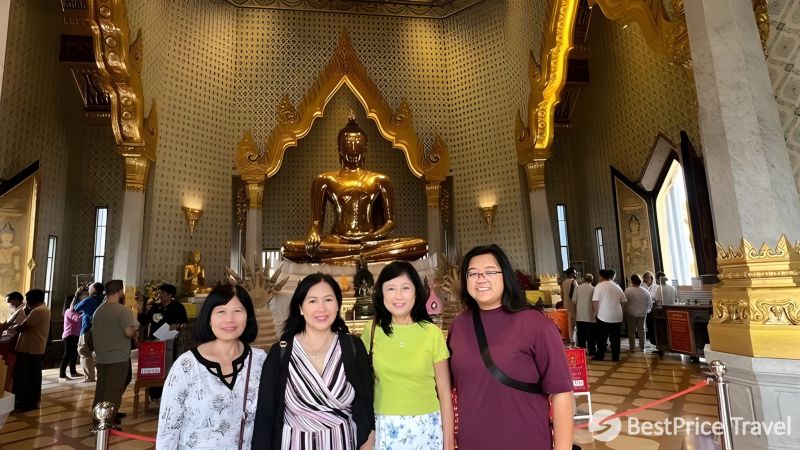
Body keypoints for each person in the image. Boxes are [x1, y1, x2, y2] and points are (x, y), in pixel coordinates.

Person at [447, 245, 574, 450]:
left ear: (505, 276)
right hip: (472, 443)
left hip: (526, 441)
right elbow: (442, 387)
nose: (481, 278)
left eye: (490, 271)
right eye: (473, 274)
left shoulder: (535, 324)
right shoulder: (459, 326)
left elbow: (562, 394)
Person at [253, 273, 375, 450]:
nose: (321, 308)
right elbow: (265, 416)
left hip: (343, 443)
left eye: (328, 300)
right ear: (300, 308)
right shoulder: (281, 352)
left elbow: (366, 408)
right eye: (312, 301)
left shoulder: (353, 348)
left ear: (337, 305)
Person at [157, 285, 266, 450]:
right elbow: (168, 429)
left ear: (248, 316)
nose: (230, 319)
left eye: (238, 311)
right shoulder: (186, 365)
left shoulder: (260, 360)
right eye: (221, 312)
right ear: (209, 318)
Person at [361, 262, 453, 450]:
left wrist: (449, 446)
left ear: (416, 293)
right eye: (391, 289)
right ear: (381, 294)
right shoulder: (371, 331)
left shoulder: (432, 334)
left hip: (426, 427)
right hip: (384, 427)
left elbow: (445, 394)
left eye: (405, 288)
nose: (398, 296)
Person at [91, 280, 136, 425]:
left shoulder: (99, 310)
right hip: (118, 356)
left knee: (101, 391)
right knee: (113, 392)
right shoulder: (123, 310)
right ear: (120, 291)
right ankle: (106, 424)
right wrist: (135, 334)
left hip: (101, 356)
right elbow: (129, 332)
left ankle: (97, 421)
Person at [137, 283, 188, 401]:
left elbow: (184, 323)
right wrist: (140, 311)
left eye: (163, 293)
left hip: (171, 342)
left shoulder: (178, 307)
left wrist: (177, 326)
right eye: (160, 292)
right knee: (155, 367)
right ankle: (154, 395)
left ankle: (169, 394)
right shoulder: (156, 307)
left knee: (168, 368)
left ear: (170, 295)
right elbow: (144, 321)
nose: (160, 295)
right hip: (155, 342)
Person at [11, 289, 51, 412]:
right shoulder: (41, 309)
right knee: (25, 377)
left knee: (30, 378)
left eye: (28, 300)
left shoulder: (39, 310)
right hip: (29, 348)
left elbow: (23, 327)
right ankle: (24, 401)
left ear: (31, 300)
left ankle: (30, 403)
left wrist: (13, 326)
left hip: (32, 349)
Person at [592, 269, 626, 362]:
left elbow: (595, 300)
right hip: (617, 316)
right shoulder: (616, 286)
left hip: (603, 315)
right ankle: (615, 357)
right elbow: (624, 301)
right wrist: (621, 310)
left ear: (602, 276)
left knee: (602, 338)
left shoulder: (599, 286)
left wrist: (595, 313)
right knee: (615, 338)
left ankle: (600, 356)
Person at [74, 282, 104, 382]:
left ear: (95, 290)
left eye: (89, 288)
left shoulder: (90, 300)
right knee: (97, 353)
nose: (88, 289)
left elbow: (74, 308)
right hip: (101, 330)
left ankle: (89, 377)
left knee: (84, 351)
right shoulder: (105, 299)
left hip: (88, 329)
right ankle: (101, 375)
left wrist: (77, 294)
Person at [0, 291, 26, 392]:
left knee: (9, 370)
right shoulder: (21, 309)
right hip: (13, 341)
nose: (8, 305)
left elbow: (6, 325)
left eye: (8, 302)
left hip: (12, 343)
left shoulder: (21, 310)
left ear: (15, 301)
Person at [623, 274, 651, 352]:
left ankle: (632, 347)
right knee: (641, 330)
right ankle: (642, 347)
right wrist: (647, 311)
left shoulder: (628, 291)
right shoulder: (645, 291)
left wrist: (624, 310)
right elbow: (649, 303)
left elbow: (624, 302)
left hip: (630, 312)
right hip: (642, 312)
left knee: (631, 330)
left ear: (632, 281)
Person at [59, 295, 82, 381]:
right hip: (70, 335)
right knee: (67, 354)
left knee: (74, 354)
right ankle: (62, 374)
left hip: (75, 335)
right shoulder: (69, 311)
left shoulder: (75, 311)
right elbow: (78, 319)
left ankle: (73, 371)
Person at [574, 273, 596, 354]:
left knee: (581, 334)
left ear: (584, 279)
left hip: (580, 314)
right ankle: (592, 350)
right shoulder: (593, 289)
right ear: (592, 280)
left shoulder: (578, 288)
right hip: (590, 314)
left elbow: (574, 301)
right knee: (591, 334)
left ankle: (581, 349)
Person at [561, 267, 578, 343]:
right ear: (571, 274)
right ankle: (574, 339)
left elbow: (562, 295)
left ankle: (571, 338)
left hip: (566, 304)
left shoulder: (563, 282)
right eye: (574, 273)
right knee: (574, 323)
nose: (575, 274)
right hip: (573, 305)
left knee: (569, 323)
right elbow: (576, 294)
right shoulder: (574, 282)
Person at [642, 271, 657, 345]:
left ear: (651, 279)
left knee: (654, 326)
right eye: (644, 281)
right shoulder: (644, 286)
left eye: (647, 280)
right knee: (649, 326)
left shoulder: (656, 287)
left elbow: (655, 297)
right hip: (647, 309)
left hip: (654, 308)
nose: (646, 282)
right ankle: (652, 341)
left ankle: (656, 342)